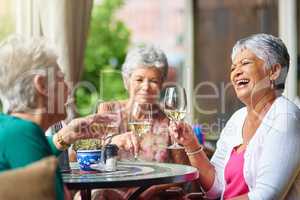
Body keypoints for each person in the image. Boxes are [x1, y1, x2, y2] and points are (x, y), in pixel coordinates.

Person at [170, 33, 300, 200]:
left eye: (245, 63)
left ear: (274, 71)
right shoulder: (238, 118)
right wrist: (191, 144)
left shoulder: (286, 118)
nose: (236, 72)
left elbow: (266, 196)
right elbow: (216, 187)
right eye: (233, 68)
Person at [0, 35, 114, 200]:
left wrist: (65, 136)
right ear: (42, 85)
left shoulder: (11, 129)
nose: (68, 87)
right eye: (61, 78)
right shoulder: (23, 134)